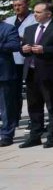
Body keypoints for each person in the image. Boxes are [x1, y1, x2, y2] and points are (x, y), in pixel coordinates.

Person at [18, 2, 53, 148]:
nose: (35, 14)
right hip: (32, 73)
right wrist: (24, 49)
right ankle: (35, 136)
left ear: (48, 14)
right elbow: (23, 50)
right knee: (34, 106)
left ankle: (52, 136)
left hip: (50, 73)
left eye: (38, 12)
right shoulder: (29, 29)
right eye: (34, 12)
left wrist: (45, 49)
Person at [4, 0, 36, 138]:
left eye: (20, 5)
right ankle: (13, 118)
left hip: (28, 60)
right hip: (12, 62)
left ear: (27, 5)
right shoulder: (9, 21)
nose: (17, 7)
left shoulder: (34, 19)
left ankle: (33, 118)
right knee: (13, 93)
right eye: (15, 5)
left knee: (31, 91)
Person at [0, 19, 18, 147]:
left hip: (3, 75)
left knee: (6, 107)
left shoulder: (8, 28)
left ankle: (7, 135)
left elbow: (15, 45)